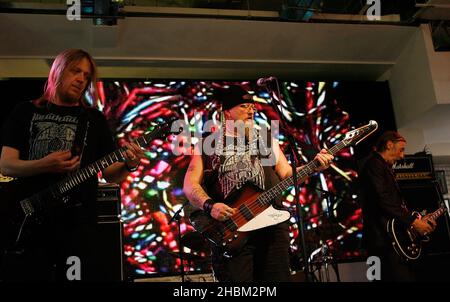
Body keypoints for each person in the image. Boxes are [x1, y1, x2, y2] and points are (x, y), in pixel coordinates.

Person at [0, 49, 144, 281]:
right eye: (75, 71)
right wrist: (44, 165)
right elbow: (6, 166)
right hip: (29, 223)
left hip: (77, 228)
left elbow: (110, 175)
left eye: (86, 76)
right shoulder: (25, 112)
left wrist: (129, 165)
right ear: (57, 71)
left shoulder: (94, 120)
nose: (81, 79)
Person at [183, 85, 334, 282]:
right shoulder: (206, 144)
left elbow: (287, 174)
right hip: (233, 229)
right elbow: (190, 185)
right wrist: (210, 206)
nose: (251, 110)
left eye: (252, 106)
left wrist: (314, 166)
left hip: (272, 226)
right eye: (244, 106)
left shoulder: (266, 139)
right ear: (226, 112)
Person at [359, 131, 436, 281]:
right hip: (381, 239)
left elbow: (393, 204)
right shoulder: (374, 164)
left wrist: (416, 222)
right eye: (401, 149)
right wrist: (413, 222)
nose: (402, 156)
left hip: (390, 238)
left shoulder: (384, 167)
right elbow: (382, 200)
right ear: (389, 145)